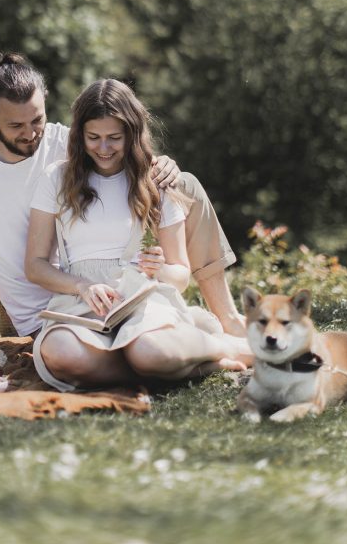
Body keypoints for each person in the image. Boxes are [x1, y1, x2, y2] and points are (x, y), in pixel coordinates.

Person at [0, 52, 181, 341]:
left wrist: (163, 164)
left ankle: (223, 315)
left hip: (99, 298)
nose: (30, 133)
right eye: (16, 126)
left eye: (37, 120)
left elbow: (123, 155)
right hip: (41, 316)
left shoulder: (66, 143)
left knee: (187, 188)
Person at [25, 79, 252, 391]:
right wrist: (81, 285)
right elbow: (35, 266)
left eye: (114, 138)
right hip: (81, 300)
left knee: (148, 350)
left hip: (143, 300)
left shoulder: (154, 181)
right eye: (93, 137)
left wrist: (158, 270)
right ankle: (173, 366)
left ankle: (225, 347)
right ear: (79, 135)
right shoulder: (57, 178)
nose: (103, 149)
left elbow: (181, 275)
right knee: (61, 354)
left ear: (131, 134)